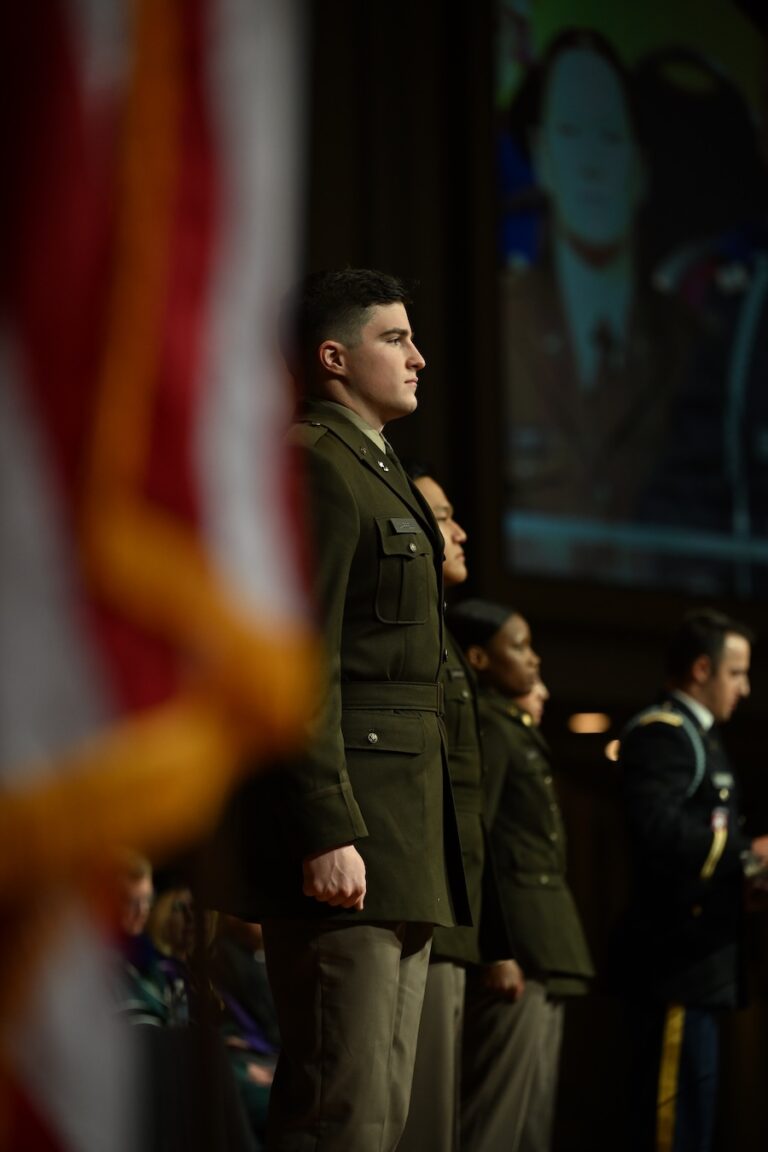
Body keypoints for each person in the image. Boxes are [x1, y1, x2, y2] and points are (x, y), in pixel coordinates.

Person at [213, 268, 469, 1152]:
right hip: (351, 833)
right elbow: (300, 663)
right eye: (395, 339)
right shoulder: (314, 462)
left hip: (401, 836)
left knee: (380, 1116)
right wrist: (324, 826)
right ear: (333, 357)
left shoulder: (374, 465)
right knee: (340, 1115)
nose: (418, 357)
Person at [500, 28, 697, 582]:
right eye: (570, 132)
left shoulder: (693, 344)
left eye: (610, 136)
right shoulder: (496, 326)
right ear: (542, 156)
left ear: (640, 164)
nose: (590, 162)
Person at [613, 607, 768, 1152]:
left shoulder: (701, 736)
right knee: (670, 1129)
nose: (745, 689)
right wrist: (750, 854)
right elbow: (659, 831)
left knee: (694, 1126)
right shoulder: (664, 734)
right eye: (737, 673)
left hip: (703, 964)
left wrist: (747, 876)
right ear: (702, 669)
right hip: (675, 963)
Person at [447, 599, 595, 1152]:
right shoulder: (490, 723)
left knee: (530, 1117)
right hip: (516, 944)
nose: (533, 660)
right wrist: (496, 947)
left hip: (539, 940)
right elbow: (476, 839)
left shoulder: (510, 724)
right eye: (519, 646)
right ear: (479, 658)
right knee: (497, 1117)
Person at [397, 467, 515, 1152]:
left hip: (452, 902)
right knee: (417, 1116)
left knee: (436, 1117)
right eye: (444, 517)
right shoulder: (415, 631)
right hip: (428, 895)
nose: (461, 532)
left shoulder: (439, 632)